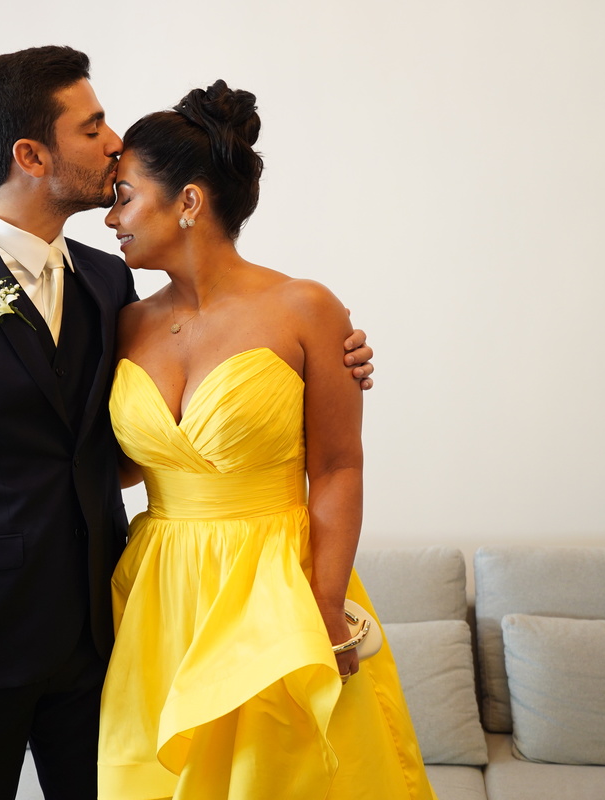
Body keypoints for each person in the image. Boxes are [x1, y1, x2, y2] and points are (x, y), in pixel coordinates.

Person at [0, 48, 375, 800]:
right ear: (30, 155)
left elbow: (130, 435)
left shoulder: (111, 281)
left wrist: (332, 365)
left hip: (110, 633)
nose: (113, 142)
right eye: (92, 128)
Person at [97, 81, 436, 799]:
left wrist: (324, 604)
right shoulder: (125, 322)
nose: (111, 218)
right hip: (161, 592)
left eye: (123, 196)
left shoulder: (305, 308)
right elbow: (121, 465)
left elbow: (338, 467)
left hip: (276, 586)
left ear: (189, 201)